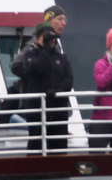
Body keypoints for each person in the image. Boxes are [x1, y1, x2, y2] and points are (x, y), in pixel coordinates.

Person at [10, 14, 73, 153]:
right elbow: (37, 68)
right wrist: (45, 50)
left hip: (58, 109)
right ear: (38, 38)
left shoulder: (61, 57)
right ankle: (34, 169)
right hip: (37, 109)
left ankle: (60, 171)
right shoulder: (30, 55)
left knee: (59, 145)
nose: (50, 39)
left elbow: (69, 78)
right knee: (37, 144)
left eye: (51, 36)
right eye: (46, 36)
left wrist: (57, 91)